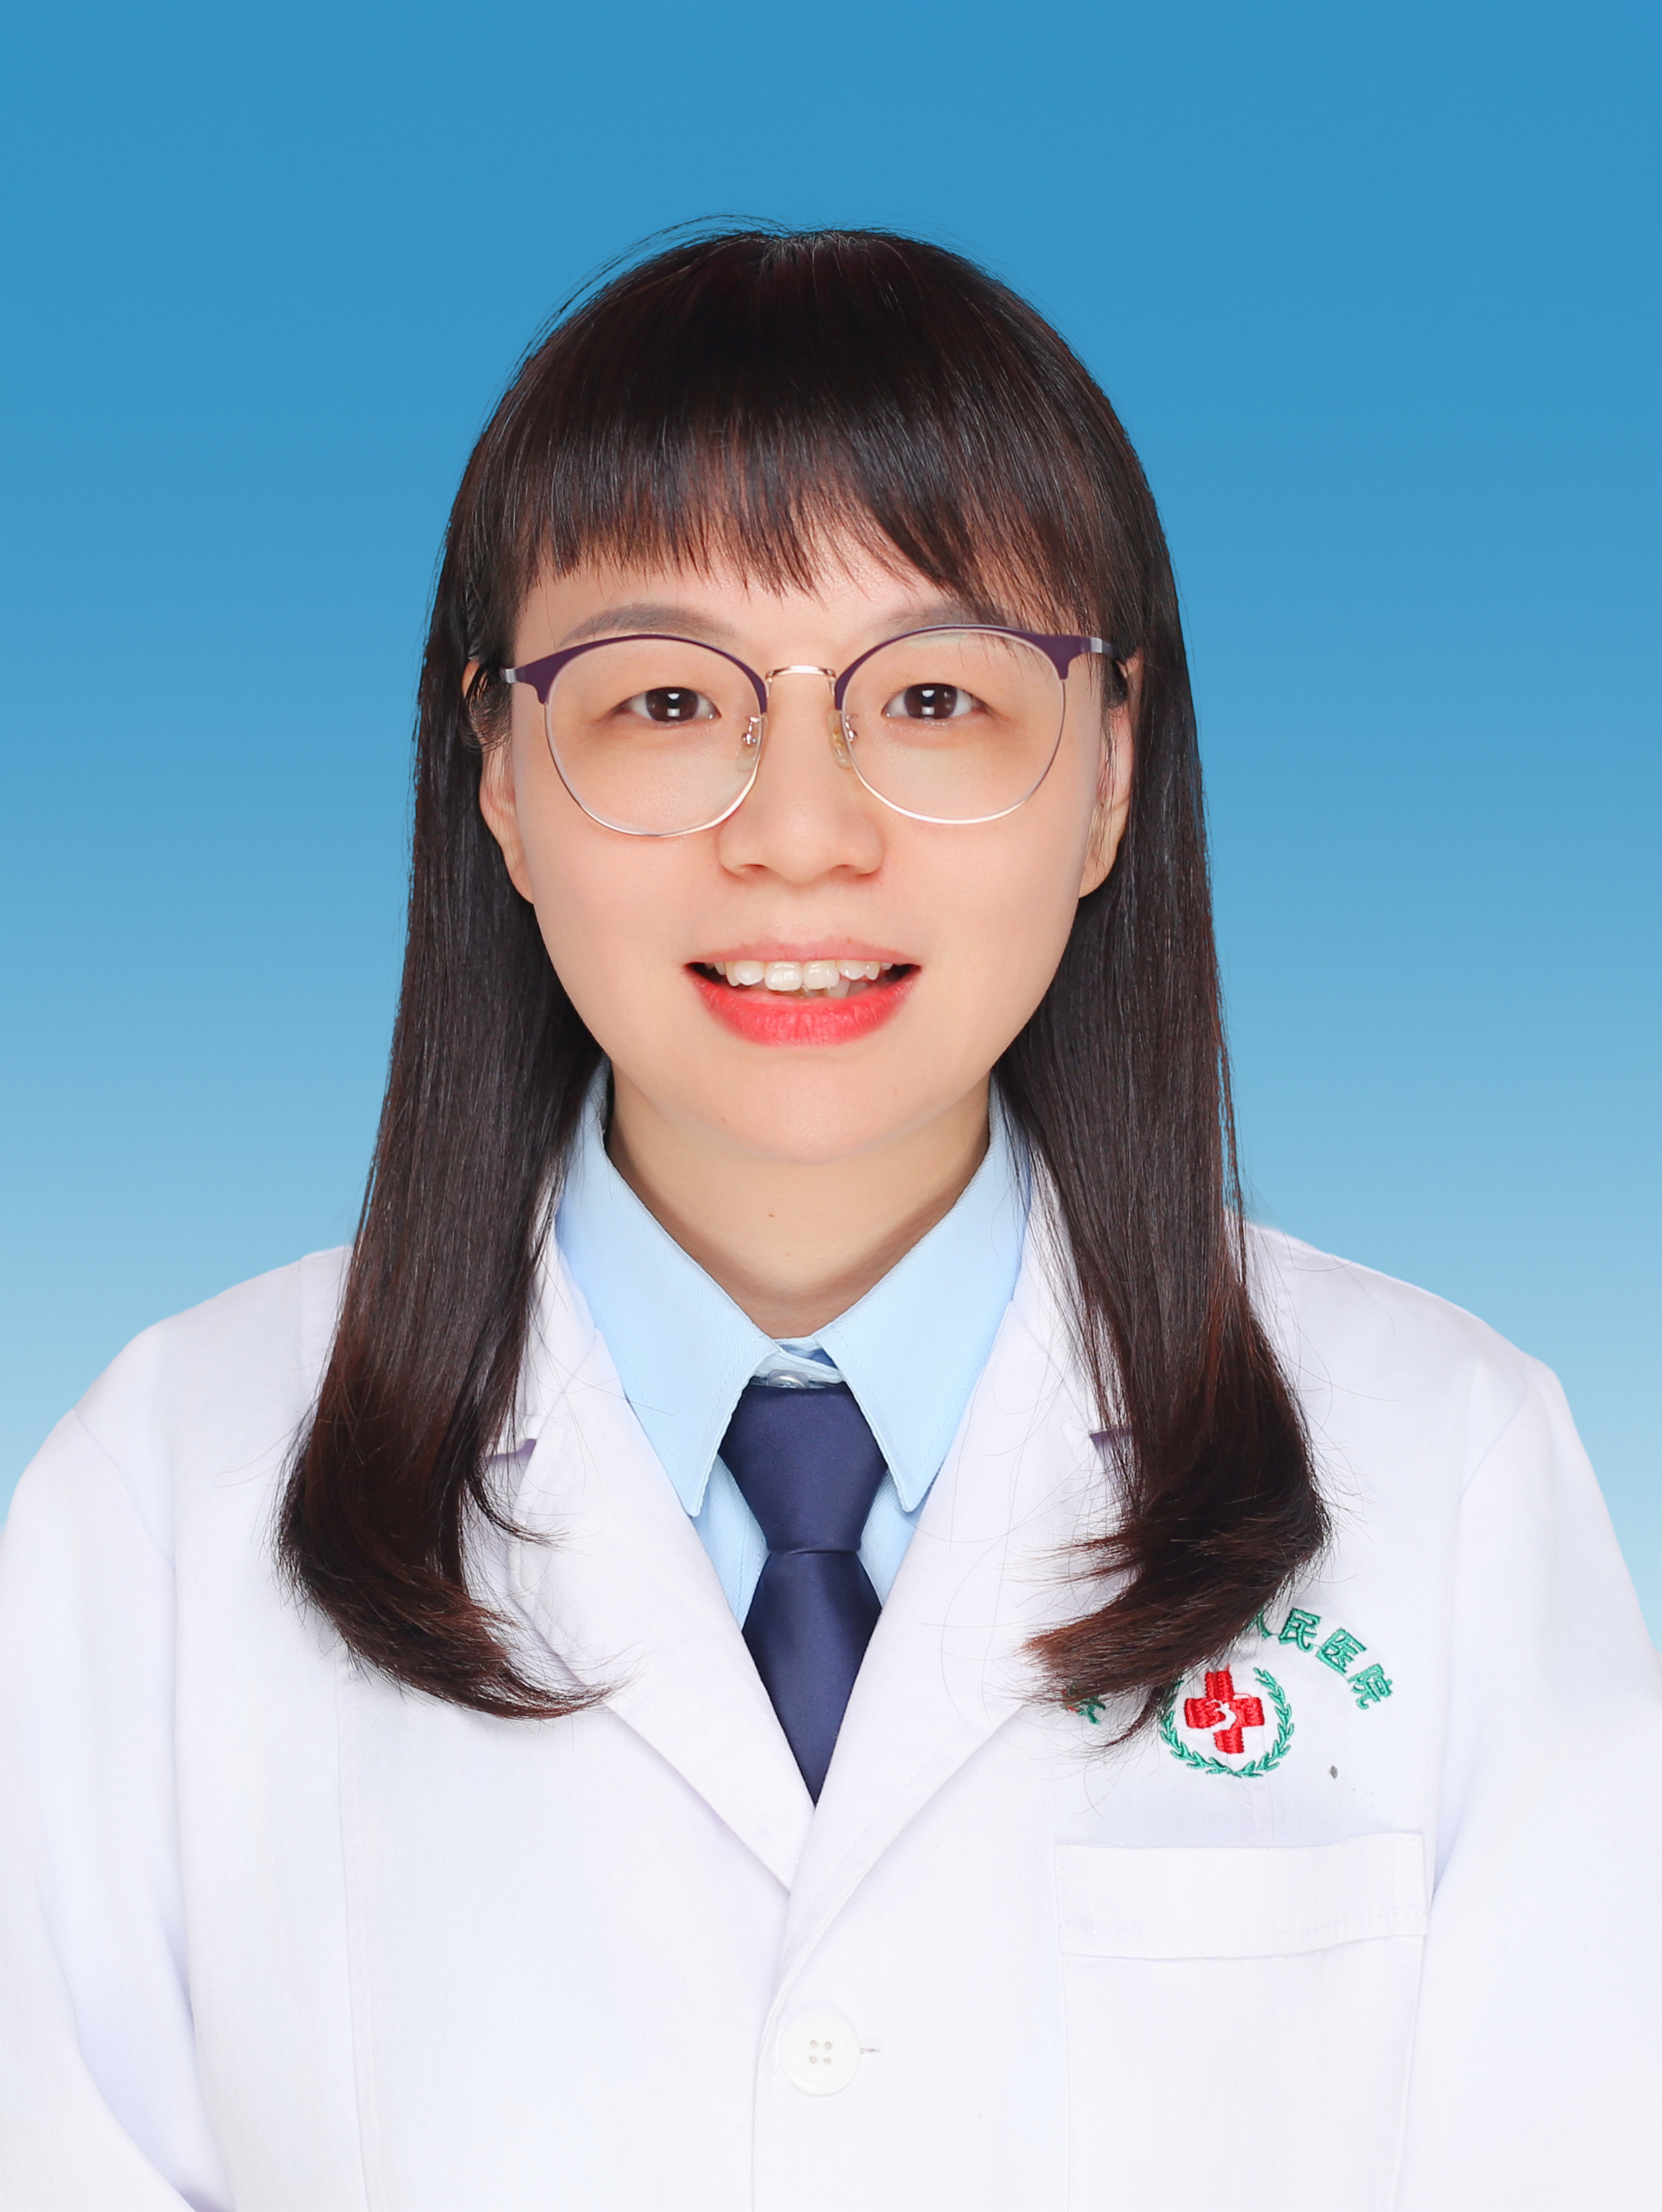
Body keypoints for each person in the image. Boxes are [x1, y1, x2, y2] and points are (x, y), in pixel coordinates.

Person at [0, 227, 1655, 2212]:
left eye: (936, 696)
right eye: (666, 700)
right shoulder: (169, 1497)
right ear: (498, 775)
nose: (800, 831)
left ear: (1110, 773)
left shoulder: (1440, 1468)